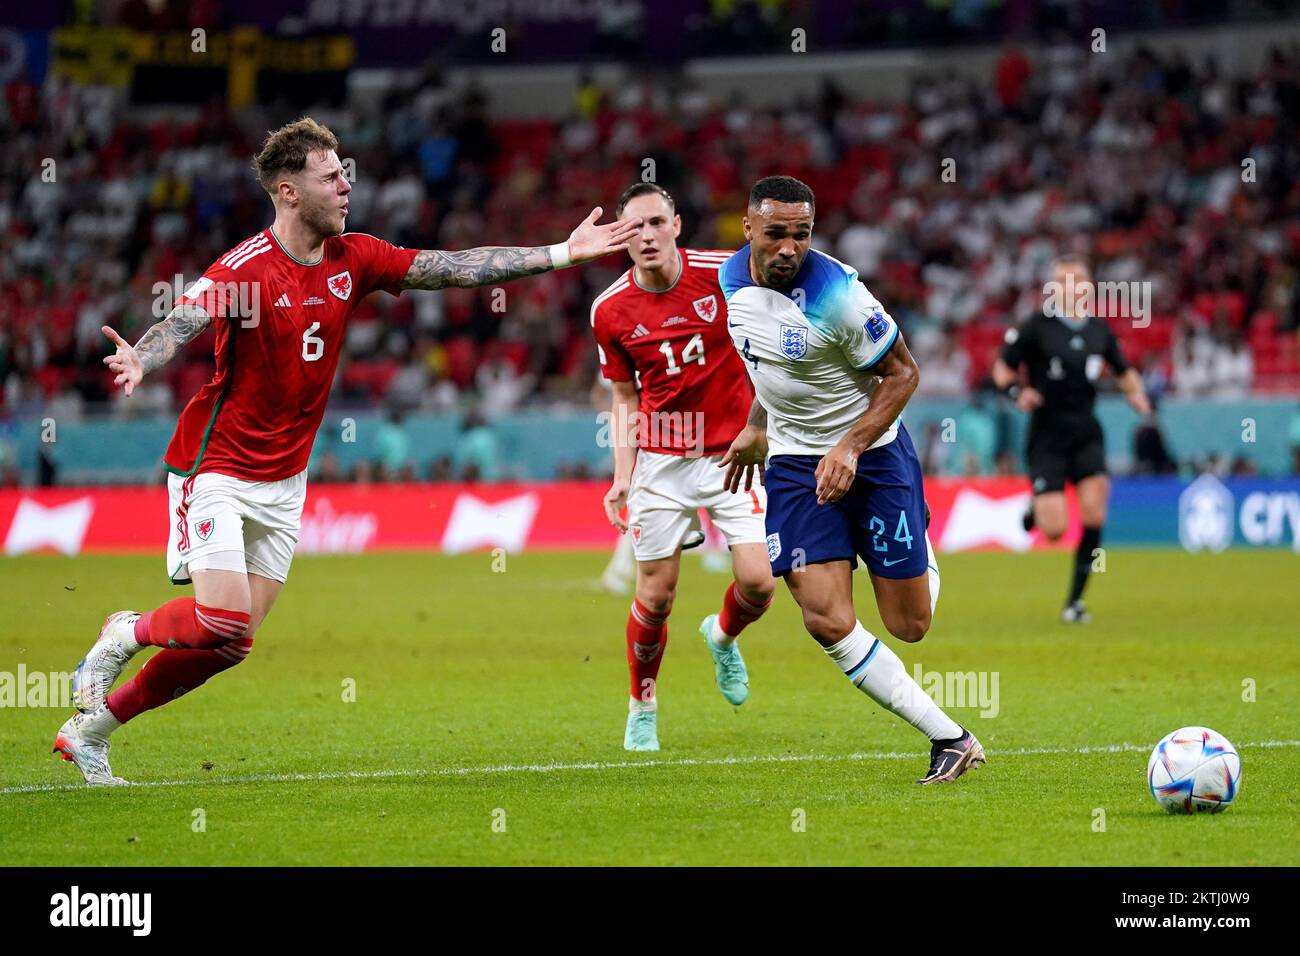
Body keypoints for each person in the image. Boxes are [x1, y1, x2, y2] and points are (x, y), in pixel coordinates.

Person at [54, 116, 641, 786]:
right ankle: (124, 632)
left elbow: (447, 269)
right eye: (332, 177)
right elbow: (182, 320)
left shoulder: (353, 258)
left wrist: (561, 253)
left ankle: (90, 733)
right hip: (215, 467)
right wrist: (143, 358)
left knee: (231, 645)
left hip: (286, 481)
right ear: (288, 191)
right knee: (220, 614)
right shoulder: (245, 269)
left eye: (346, 174)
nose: (346, 186)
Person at [718, 176, 984, 785]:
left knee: (909, 626)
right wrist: (759, 424)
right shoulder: (731, 282)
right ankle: (950, 737)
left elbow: (904, 374)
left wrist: (850, 445)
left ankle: (915, 534)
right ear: (749, 229)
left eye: (803, 235)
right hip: (792, 463)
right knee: (825, 616)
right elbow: (768, 366)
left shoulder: (840, 297)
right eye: (778, 233)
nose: (790, 247)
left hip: (874, 454)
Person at [592, 182, 775, 752]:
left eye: (654, 223)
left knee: (759, 582)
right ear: (619, 238)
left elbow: (771, 345)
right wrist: (622, 474)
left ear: (677, 224)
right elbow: (624, 397)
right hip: (662, 463)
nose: (644, 236)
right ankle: (641, 702)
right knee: (657, 594)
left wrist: (763, 427)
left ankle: (721, 636)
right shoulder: (610, 309)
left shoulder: (729, 273)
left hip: (731, 456)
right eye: (631, 228)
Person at [992, 255, 1151, 623]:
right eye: (1064, 281)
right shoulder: (1036, 327)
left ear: (1089, 286)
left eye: (1078, 279)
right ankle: (1036, 507)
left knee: (1095, 510)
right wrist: (1018, 392)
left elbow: (1124, 371)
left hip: (1086, 432)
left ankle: (1074, 602)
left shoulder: (1099, 331)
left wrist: (1136, 394)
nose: (1072, 286)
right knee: (1054, 530)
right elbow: (1002, 368)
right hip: (1047, 434)